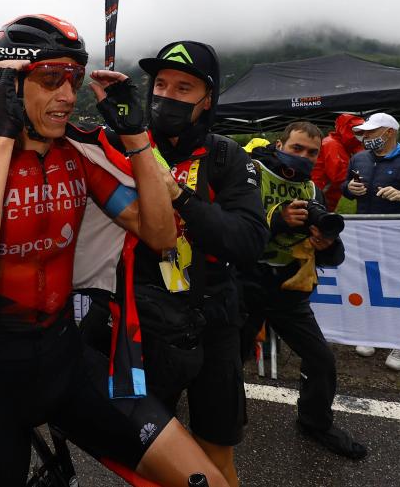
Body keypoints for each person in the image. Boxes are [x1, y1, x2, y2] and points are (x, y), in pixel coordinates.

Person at [0, 15, 227, 487]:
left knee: (206, 481)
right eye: (50, 79)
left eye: (74, 80)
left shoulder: (77, 156)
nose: (68, 95)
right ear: (7, 85)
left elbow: (161, 236)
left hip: (67, 358)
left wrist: (136, 137)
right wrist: (1, 135)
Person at [117, 41, 268, 487]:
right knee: (147, 451)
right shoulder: (126, 144)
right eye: (160, 84)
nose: (167, 95)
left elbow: (248, 241)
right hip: (146, 321)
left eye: (184, 87)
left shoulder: (226, 156)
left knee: (215, 448)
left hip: (215, 322)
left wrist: (179, 195)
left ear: (208, 99)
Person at [239, 121, 367, 460]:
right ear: (280, 144)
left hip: (288, 288)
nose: (304, 157)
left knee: (321, 360)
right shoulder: (252, 172)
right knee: (226, 359)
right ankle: (214, 418)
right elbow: (233, 231)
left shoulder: (312, 189)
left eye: (312, 152)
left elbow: (334, 255)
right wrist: (277, 220)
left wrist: (324, 244)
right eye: (297, 148)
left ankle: (315, 422)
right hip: (244, 282)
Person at [343, 112, 400, 370]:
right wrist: (349, 189)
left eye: (371, 132)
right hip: (366, 234)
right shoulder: (359, 158)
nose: (366, 137)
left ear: (389, 132)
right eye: (364, 132)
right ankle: (374, 332)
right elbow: (344, 185)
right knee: (372, 283)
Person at [311, 113, 365, 211]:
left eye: (362, 132)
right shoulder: (332, 144)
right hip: (320, 195)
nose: (360, 136)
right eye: (357, 132)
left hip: (327, 196)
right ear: (346, 130)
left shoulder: (342, 145)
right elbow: (340, 175)